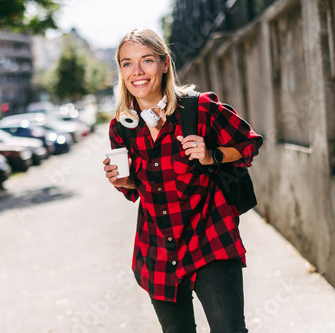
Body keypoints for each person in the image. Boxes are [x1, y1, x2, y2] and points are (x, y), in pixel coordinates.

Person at [103, 28, 263, 333]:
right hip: (157, 251)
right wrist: (124, 182)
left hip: (209, 240)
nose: (136, 71)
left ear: (165, 64)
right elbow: (139, 187)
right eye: (127, 63)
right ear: (120, 70)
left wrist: (210, 155)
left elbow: (249, 143)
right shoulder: (122, 127)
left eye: (146, 60)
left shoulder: (199, 108)